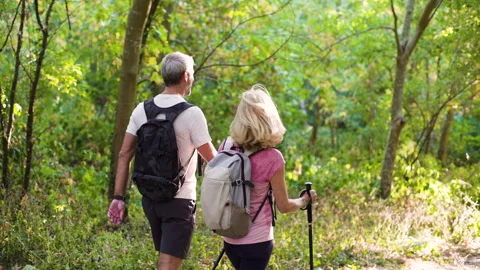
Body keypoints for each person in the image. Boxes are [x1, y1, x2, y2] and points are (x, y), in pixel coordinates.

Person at [108, 52, 216, 270]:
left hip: (150, 200)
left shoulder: (142, 109)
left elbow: (124, 154)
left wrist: (118, 197)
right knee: (168, 265)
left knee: (165, 259)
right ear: (186, 76)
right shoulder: (192, 114)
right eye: (192, 74)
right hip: (180, 201)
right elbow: (212, 159)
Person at [219, 84, 317, 270]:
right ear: (269, 119)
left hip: (229, 237)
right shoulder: (272, 157)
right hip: (257, 241)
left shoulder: (227, 146)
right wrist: (305, 200)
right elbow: (284, 206)